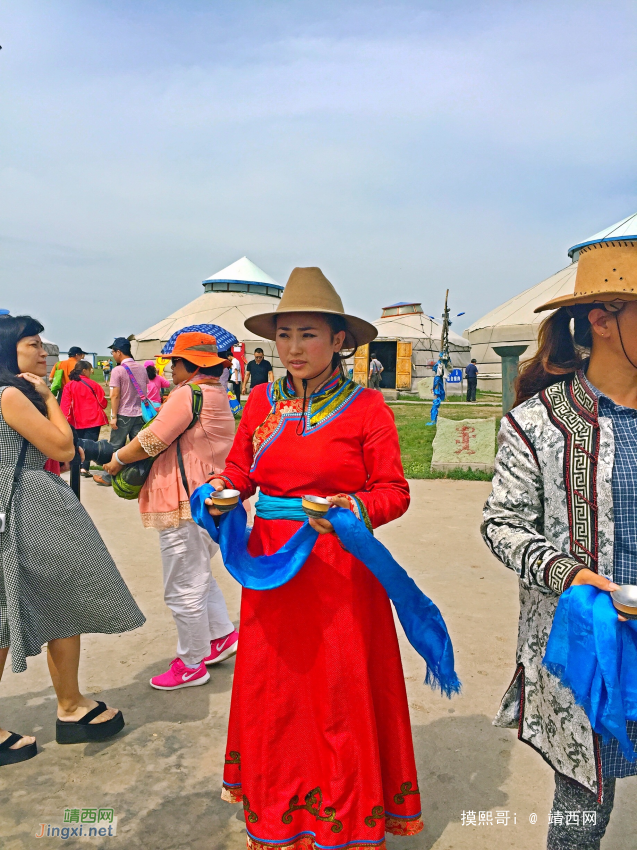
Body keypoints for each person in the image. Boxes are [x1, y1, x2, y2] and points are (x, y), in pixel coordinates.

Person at [205, 267, 423, 848]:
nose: (294, 348)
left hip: (341, 573)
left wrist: (350, 507)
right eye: (284, 335)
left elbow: (394, 491)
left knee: (338, 694)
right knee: (276, 694)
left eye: (308, 334)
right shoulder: (259, 401)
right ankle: (278, 809)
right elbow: (240, 472)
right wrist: (222, 493)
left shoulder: (367, 408)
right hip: (272, 573)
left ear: (338, 340)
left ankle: (346, 818)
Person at [482, 240, 637, 849]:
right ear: (602, 320)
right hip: (583, 645)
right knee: (582, 810)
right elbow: (502, 524)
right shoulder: (537, 423)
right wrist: (569, 574)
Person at [0, 315, 145, 765]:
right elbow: (62, 448)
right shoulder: (9, 395)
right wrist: (47, 397)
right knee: (9, 613)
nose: (43, 353)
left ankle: (71, 705)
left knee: (52, 603)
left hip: (16, 503)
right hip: (27, 504)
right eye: (32, 346)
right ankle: (70, 707)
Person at [102, 332, 239, 690]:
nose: (170, 368)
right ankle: (220, 636)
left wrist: (116, 459)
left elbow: (151, 439)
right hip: (208, 498)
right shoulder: (214, 393)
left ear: (190, 365)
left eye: (174, 362)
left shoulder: (188, 394)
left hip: (185, 499)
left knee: (182, 586)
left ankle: (191, 663)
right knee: (197, 576)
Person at [93, 337, 148, 487]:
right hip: (140, 414)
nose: (112, 355)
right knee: (138, 447)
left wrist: (113, 416)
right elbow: (145, 389)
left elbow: (115, 395)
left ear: (119, 352)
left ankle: (108, 477)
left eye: (113, 352)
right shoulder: (142, 368)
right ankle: (140, 477)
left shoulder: (118, 370)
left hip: (124, 414)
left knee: (116, 446)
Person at [60, 360, 108, 477]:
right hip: (93, 419)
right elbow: (103, 403)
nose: (91, 372)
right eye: (90, 370)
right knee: (90, 444)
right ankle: (84, 468)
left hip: (76, 420)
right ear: (84, 370)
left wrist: (63, 419)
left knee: (77, 443)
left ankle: (76, 466)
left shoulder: (69, 385)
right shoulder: (94, 384)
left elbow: (65, 405)